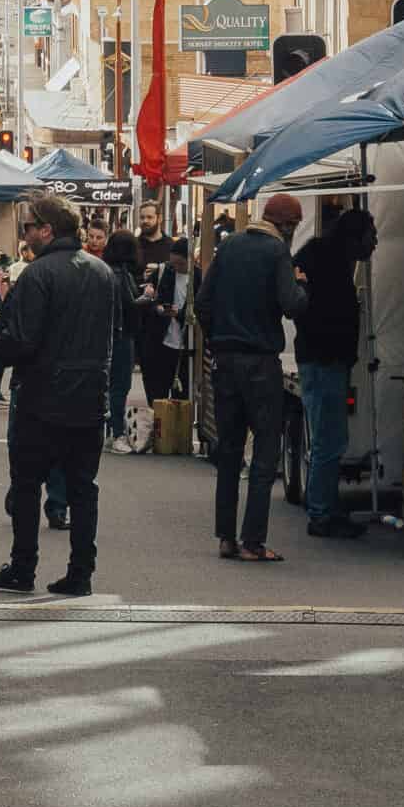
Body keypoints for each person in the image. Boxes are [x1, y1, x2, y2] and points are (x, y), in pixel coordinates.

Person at [0, 189, 119, 597]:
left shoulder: (37, 274)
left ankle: (23, 568)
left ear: (46, 229)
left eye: (27, 227)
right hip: (89, 395)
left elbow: (21, 339)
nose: (23, 235)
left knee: (26, 484)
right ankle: (81, 572)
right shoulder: (101, 271)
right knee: (82, 487)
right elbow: (113, 334)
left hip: (41, 396)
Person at [203, 194, 307, 564]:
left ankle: (226, 537)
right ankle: (253, 541)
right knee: (264, 451)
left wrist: (217, 339)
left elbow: (203, 302)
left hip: (224, 360)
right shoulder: (277, 252)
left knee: (229, 451)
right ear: (289, 226)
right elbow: (291, 305)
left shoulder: (228, 245)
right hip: (260, 363)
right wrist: (300, 285)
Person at [295, 206, 373, 537]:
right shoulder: (327, 259)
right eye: (371, 237)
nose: (375, 244)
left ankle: (323, 507)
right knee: (330, 439)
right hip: (325, 360)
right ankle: (322, 513)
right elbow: (311, 306)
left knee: (329, 438)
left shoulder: (320, 255)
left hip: (321, 358)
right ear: (354, 237)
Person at [139, 231, 194, 409]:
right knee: (157, 395)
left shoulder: (198, 277)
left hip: (186, 347)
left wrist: (179, 314)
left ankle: (176, 433)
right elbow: (150, 299)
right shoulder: (164, 271)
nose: (176, 266)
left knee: (181, 397)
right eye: (173, 262)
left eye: (180, 263)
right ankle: (159, 431)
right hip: (160, 342)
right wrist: (157, 307)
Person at [100, 228, 142, 448]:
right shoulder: (121, 275)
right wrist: (145, 299)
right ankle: (117, 432)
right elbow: (128, 305)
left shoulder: (106, 271)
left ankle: (110, 429)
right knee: (119, 385)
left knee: (108, 385)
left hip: (109, 335)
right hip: (121, 335)